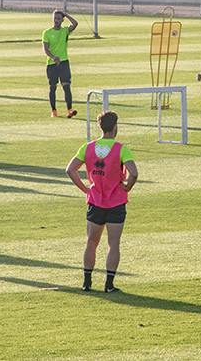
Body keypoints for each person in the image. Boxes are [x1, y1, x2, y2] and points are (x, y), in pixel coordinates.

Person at [66, 111, 138, 293]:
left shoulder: (87, 148)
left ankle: (87, 283)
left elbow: (70, 169)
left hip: (95, 201)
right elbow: (134, 173)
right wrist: (128, 186)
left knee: (91, 242)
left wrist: (86, 189)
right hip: (116, 202)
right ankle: (109, 285)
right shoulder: (121, 149)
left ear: (100, 127)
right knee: (113, 244)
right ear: (115, 128)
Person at [42, 9, 78, 118]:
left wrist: (66, 14)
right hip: (52, 64)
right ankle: (53, 110)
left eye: (58, 18)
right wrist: (53, 57)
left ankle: (70, 110)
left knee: (66, 86)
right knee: (53, 87)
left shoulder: (64, 31)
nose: (56, 21)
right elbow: (45, 49)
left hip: (64, 63)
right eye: (55, 18)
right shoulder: (47, 33)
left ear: (62, 20)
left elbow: (75, 24)